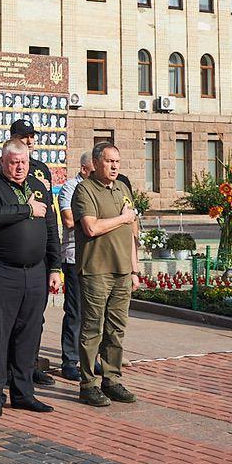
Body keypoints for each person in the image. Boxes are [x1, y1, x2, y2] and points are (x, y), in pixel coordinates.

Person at [0, 141, 61, 418]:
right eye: (14, 162)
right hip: (3, 270)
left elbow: (50, 228)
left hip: (35, 271)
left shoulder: (39, 185)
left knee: (29, 333)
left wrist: (55, 267)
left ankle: (23, 394)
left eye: (24, 162)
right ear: (3, 162)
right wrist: (27, 209)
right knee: (0, 333)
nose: (20, 167)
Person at [70, 143, 138, 407]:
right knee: (92, 329)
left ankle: (112, 379)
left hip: (122, 270)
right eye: (109, 161)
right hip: (96, 270)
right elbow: (91, 227)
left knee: (116, 329)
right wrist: (123, 218)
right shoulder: (84, 189)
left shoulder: (122, 188)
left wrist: (134, 270)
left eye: (117, 162)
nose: (114, 167)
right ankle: (88, 384)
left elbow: (132, 233)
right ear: (97, 162)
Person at [7, 119, 58, 387]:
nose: (28, 141)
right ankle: (8, 369)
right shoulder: (1, 170)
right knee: (10, 320)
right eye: (23, 136)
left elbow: (50, 218)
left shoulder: (40, 171)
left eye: (31, 137)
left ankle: (30, 365)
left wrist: (55, 263)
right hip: (9, 260)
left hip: (38, 258)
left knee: (34, 319)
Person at [56, 152, 92, 382]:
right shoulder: (71, 187)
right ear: (84, 168)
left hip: (97, 258)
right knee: (75, 312)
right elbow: (68, 220)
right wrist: (94, 222)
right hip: (74, 257)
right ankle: (69, 361)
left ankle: (91, 358)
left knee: (95, 313)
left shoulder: (101, 188)